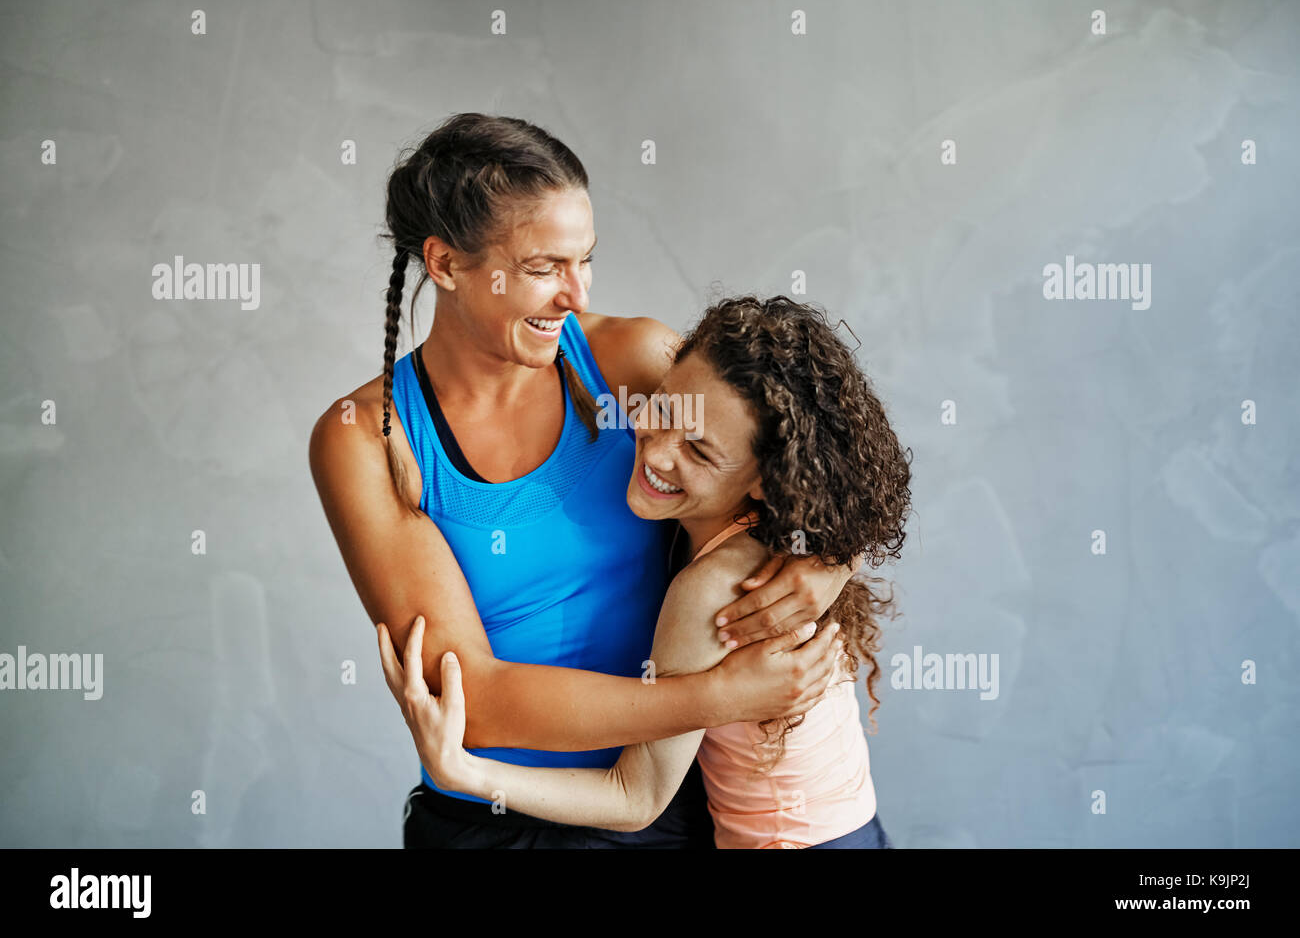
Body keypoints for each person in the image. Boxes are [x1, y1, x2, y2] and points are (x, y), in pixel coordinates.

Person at [309, 114, 860, 847]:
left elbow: (804, 458)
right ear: (443, 264)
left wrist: (829, 559)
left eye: (586, 261)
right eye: (544, 268)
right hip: (489, 823)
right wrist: (710, 696)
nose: (576, 294)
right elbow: (477, 697)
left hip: (665, 804)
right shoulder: (366, 438)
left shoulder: (632, 363)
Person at [380, 295, 914, 848]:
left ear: (765, 478)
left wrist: (462, 772)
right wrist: (837, 558)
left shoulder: (714, 589)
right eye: (661, 410)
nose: (659, 454)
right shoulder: (776, 534)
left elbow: (634, 798)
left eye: (700, 453)